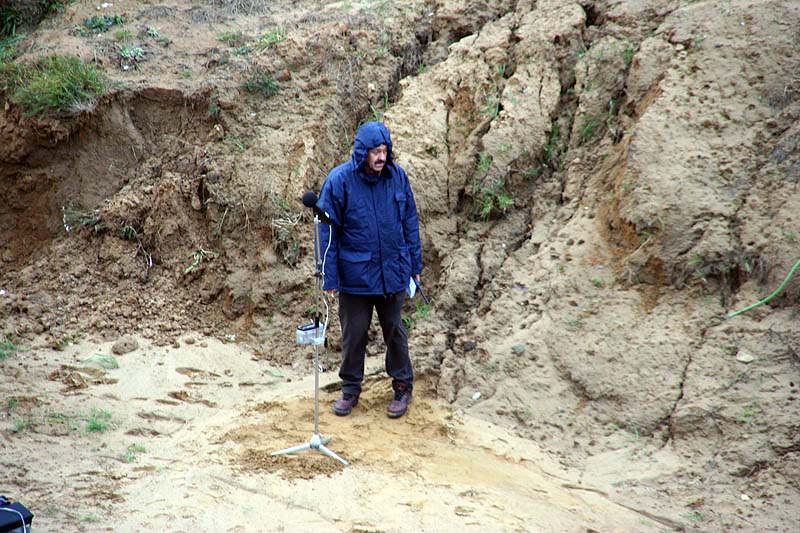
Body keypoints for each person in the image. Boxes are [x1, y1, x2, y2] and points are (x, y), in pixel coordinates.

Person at [316, 121, 423, 419]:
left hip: (392, 272)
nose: (380, 157)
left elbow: (410, 222)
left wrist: (415, 265)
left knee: (395, 332)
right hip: (355, 276)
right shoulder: (339, 181)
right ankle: (350, 389)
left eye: (384, 151)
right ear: (362, 152)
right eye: (375, 151)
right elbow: (326, 232)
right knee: (354, 334)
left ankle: (403, 386)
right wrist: (330, 276)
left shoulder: (397, 177)